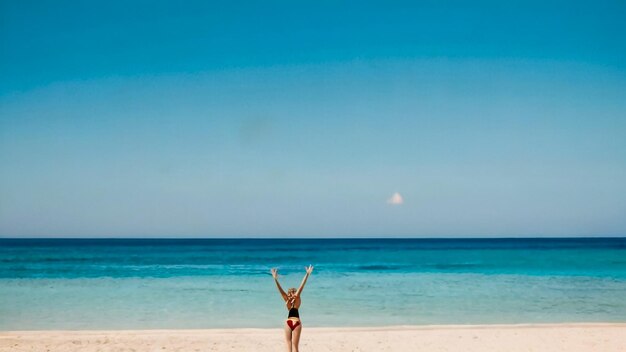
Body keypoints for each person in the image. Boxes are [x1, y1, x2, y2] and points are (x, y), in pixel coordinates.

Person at [271, 265, 314, 352]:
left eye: (292, 292)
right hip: (288, 321)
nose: (290, 294)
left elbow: (301, 287)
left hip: (296, 322)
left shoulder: (297, 298)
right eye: (289, 293)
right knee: (288, 344)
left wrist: (307, 275)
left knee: (295, 346)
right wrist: (275, 279)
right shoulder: (287, 300)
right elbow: (281, 291)